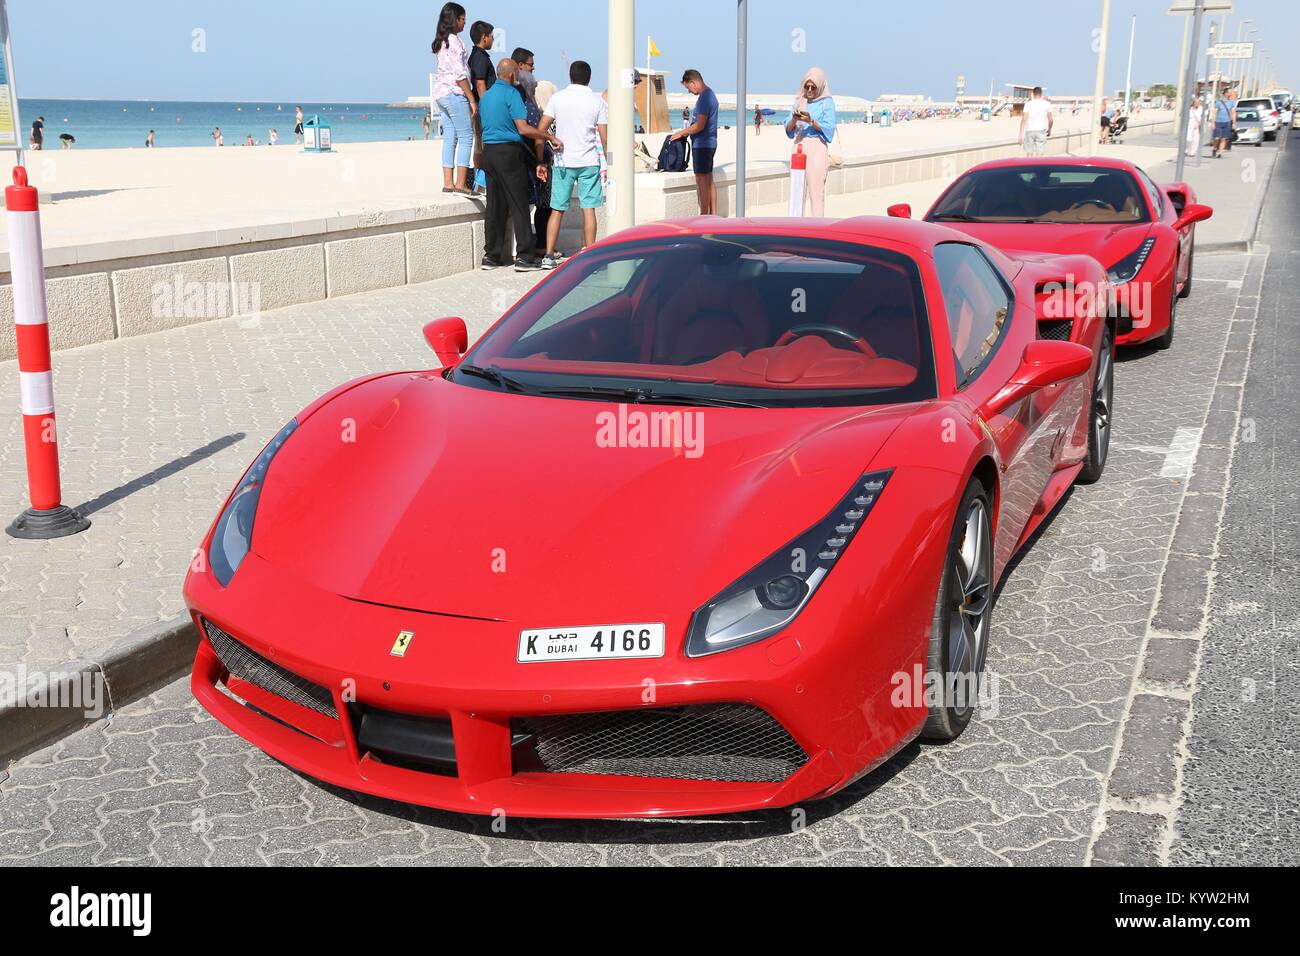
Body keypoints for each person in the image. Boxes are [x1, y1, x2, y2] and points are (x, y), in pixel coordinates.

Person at [477, 58, 563, 272]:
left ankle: (491, 256)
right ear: (513, 75)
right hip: (508, 152)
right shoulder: (512, 93)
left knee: (494, 205)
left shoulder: (486, 96)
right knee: (518, 203)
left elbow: (479, 129)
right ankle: (525, 256)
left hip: (489, 152)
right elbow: (523, 129)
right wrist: (548, 137)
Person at [539, 60, 608, 269]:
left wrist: (550, 143)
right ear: (589, 78)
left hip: (562, 161)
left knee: (557, 209)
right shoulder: (597, 101)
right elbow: (605, 138)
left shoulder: (558, 98)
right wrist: (610, 163)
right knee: (589, 209)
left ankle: (548, 255)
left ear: (570, 76)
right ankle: (590, 255)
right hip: (589, 162)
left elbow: (541, 128)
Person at [431, 2, 475, 195]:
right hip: (455, 93)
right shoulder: (455, 41)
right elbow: (460, 74)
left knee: (450, 137)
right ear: (455, 20)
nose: (465, 23)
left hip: (440, 93)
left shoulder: (441, 41)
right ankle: (461, 184)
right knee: (466, 136)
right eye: (462, 19)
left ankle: (448, 183)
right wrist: (472, 98)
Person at [513, 47, 552, 256]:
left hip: (528, 156)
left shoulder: (521, 92)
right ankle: (534, 247)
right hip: (530, 158)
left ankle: (533, 246)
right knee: (538, 203)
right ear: (521, 66)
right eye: (531, 65)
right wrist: (540, 160)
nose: (533, 69)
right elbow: (535, 131)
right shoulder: (520, 93)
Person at [785, 67, 837, 217]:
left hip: (816, 146)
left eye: (813, 87)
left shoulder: (827, 103)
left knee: (816, 192)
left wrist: (811, 121)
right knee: (797, 191)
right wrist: (794, 119)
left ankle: (817, 228)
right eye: (806, 86)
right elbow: (788, 128)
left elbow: (829, 129)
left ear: (819, 86)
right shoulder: (799, 100)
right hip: (799, 145)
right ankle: (795, 227)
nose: (809, 90)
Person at [670, 70, 719, 215]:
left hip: (703, 144)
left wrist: (681, 133)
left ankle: (704, 215)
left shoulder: (705, 97)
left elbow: (699, 125)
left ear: (693, 82)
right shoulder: (710, 95)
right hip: (708, 143)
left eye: (688, 88)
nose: (689, 91)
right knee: (708, 178)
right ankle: (713, 214)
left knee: (702, 179)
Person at [467, 19, 496, 183]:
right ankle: (480, 179)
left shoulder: (479, 56)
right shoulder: (479, 57)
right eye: (491, 36)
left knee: (481, 142)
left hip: (480, 105)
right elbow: (479, 83)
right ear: (484, 37)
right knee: (482, 144)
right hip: (481, 106)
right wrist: (487, 106)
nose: (493, 39)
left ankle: (481, 178)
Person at [1019, 86, 1053, 156]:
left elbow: (1024, 119)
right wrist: (1049, 130)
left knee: (1029, 152)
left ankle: (1029, 166)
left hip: (1030, 130)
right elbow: (1051, 120)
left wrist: (1020, 135)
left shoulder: (1028, 104)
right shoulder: (1047, 104)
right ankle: (1038, 166)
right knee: (1039, 153)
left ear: (1033, 94)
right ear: (1041, 94)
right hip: (1041, 130)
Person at [1212, 88, 1236, 158]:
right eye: (1230, 92)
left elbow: (1233, 113)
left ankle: (1220, 153)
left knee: (1223, 138)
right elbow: (1214, 112)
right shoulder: (1218, 102)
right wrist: (1213, 122)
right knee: (1217, 138)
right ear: (1225, 93)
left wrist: (1234, 123)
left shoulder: (1232, 102)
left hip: (1227, 122)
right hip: (1218, 121)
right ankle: (1214, 149)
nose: (1231, 94)